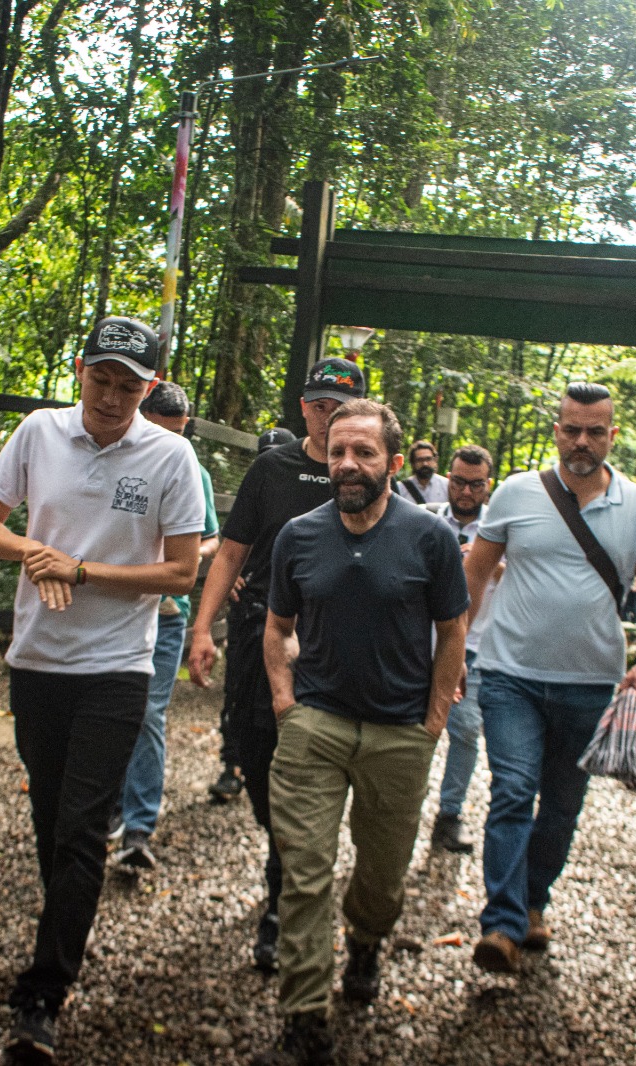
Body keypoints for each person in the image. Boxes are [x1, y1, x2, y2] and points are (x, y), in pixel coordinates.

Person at [0, 315, 205, 1066]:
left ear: (151, 388)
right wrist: (37, 551)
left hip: (116, 667)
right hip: (37, 659)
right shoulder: (39, 433)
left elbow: (180, 574)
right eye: (101, 378)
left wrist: (85, 571)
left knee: (82, 824)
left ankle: (44, 991)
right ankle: (65, 922)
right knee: (50, 815)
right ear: (79, 370)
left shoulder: (171, 456)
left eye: (129, 385)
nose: (111, 395)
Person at [254, 400, 469, 1066]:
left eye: (365, 453)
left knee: (380, 879)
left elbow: (453, 628)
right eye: (338, 451)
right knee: (305, 875)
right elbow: (276, 627)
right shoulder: (299, 535)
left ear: (394, 464)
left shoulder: (431, 538)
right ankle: (303, 1024)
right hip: (313, 726)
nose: (348, 463)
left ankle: (368, 942)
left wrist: (434, 719)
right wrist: (286, 704)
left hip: (399, 733)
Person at [465, 381, 636, 974]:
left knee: (561, 804)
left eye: (595, 431)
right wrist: (451, 652)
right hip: (510, 675)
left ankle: (534, 901)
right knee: (511, 791)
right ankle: (501, 924)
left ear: (612, 434)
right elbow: (475, 572)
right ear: (556, 429)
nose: (582, 441)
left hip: (590, 682)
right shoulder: (514, 493)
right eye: (572, 429)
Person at [187, 357, 367, 971]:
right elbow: (231, 549)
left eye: (340, 407)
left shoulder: (367, 473)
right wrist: (203, 626)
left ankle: (281, 900)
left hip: (333, 642)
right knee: (253, 751)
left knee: (308, 769)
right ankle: (284, 846)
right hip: (260, 628)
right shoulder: (273, 468)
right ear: (303, 407)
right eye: (319, 405)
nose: (327, 417)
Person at [110, 381, 221, 871]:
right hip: (110, 606)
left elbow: (214, 540)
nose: (172, 441)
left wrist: (181, 554)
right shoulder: (113, 456)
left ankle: (138, 827)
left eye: (180, 432)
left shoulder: (192, 469)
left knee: (148, 714)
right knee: (104, 710)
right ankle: (106, 806)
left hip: (166, 612)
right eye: (163, 431)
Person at [210, 424, 298, 803]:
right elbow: (229, 546)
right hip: (251, 610)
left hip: (292, 613)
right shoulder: (258, 485)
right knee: (238, 690)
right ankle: (233, 764)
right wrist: (229, 578)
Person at [423, 444, 498, 855]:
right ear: (447, 479)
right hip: (422, 645)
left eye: (475, 484)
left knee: (466, 729)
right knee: (412, 727)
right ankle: (400, 807)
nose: (466, 492)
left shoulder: (500, 530)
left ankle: (449, 813)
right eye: (458, 482)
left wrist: (495, 565)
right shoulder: (426, 520)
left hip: (474, 647)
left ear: (488, 486)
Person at [396, 439, 449, 504]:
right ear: (412, 463)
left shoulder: (446, 486)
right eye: (420, 460)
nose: (425, 464)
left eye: (428, 459)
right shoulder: (401, 488)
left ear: (435, 461)